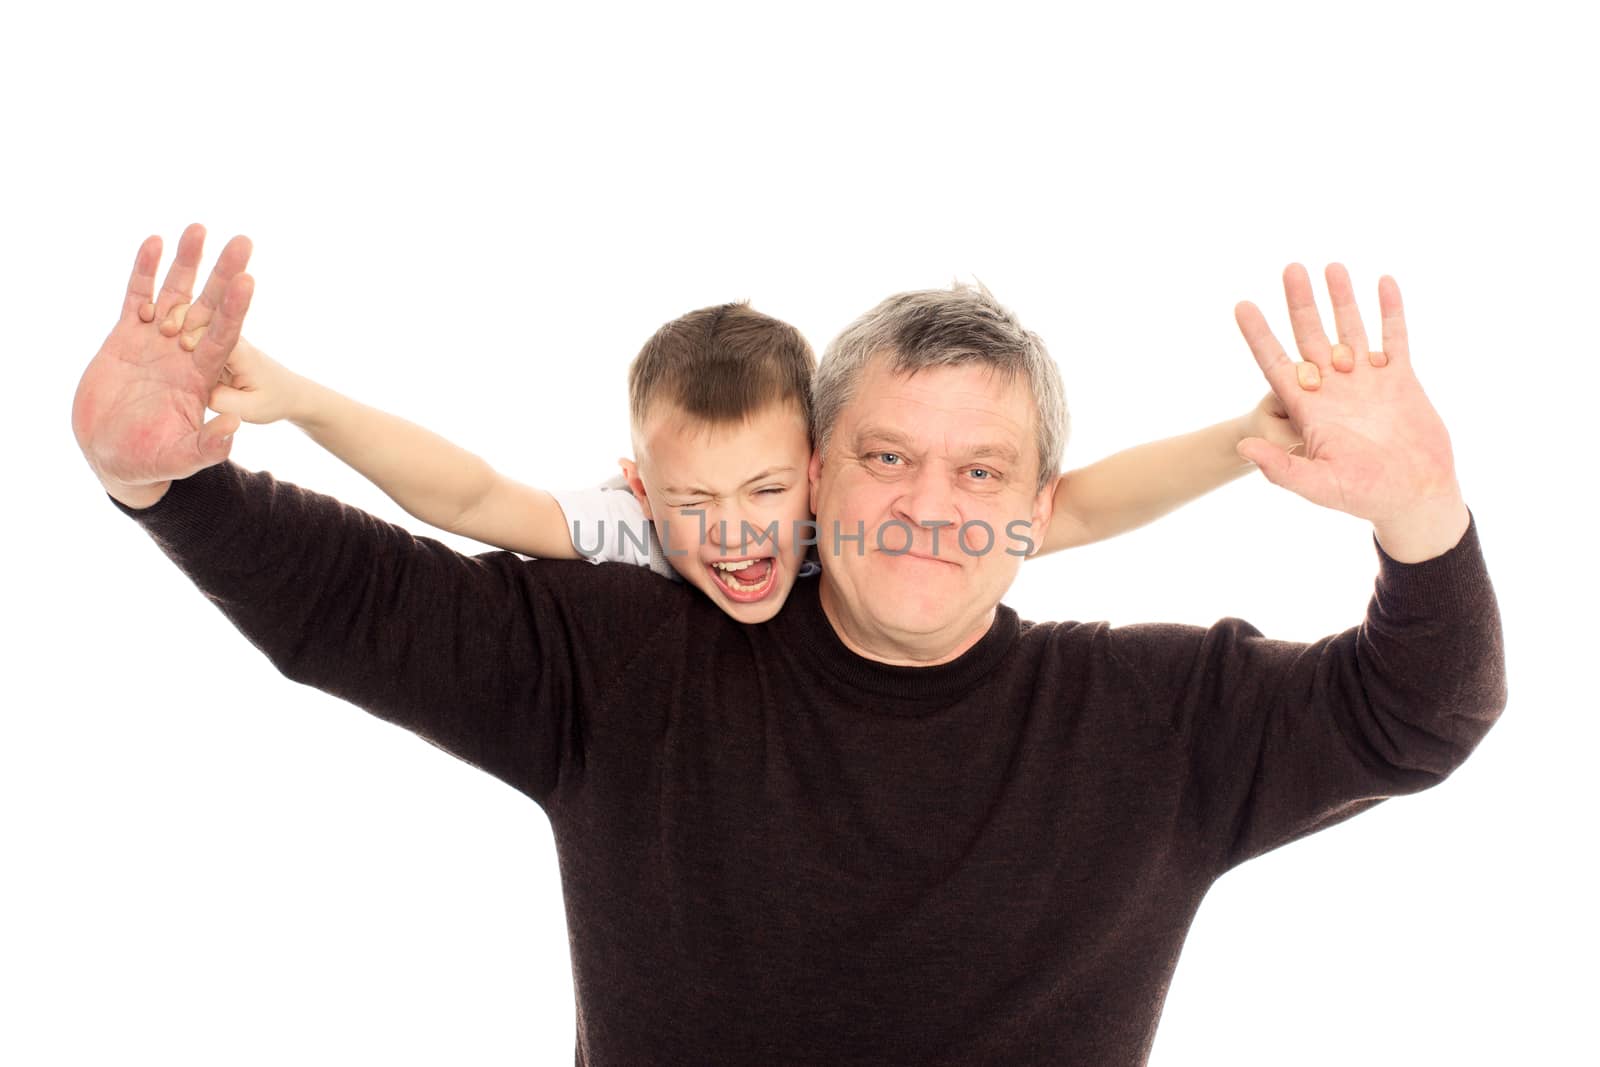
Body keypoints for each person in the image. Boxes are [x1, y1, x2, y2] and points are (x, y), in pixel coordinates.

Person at [74, 225, 1506, 1065]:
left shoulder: (1159, 712)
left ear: (1036, 503)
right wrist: (163, 477)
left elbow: (1420, 714)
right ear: (815, 471)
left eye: (982, 471)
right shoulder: (633, 659)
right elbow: (358, 601)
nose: (930, 505)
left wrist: (1423, 515)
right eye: (887, 454)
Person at [150, 276, 1307, 620]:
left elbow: (1077, 507)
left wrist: (1241, 437)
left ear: (815, 470)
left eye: (764, 488)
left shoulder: (860, 527)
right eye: (694, 498)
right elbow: (472, 496)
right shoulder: (642, 536)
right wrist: (302, 400)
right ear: (641, 488)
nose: (738, 530)